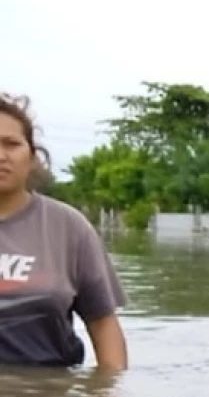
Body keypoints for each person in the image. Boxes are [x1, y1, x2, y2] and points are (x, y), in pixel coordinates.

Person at [0, 94, 128, 370]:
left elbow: (103, 324)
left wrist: (110, 393)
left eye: (11, 144)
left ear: (32, 156)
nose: (1, 156)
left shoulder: (69, 227)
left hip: (48, 391)